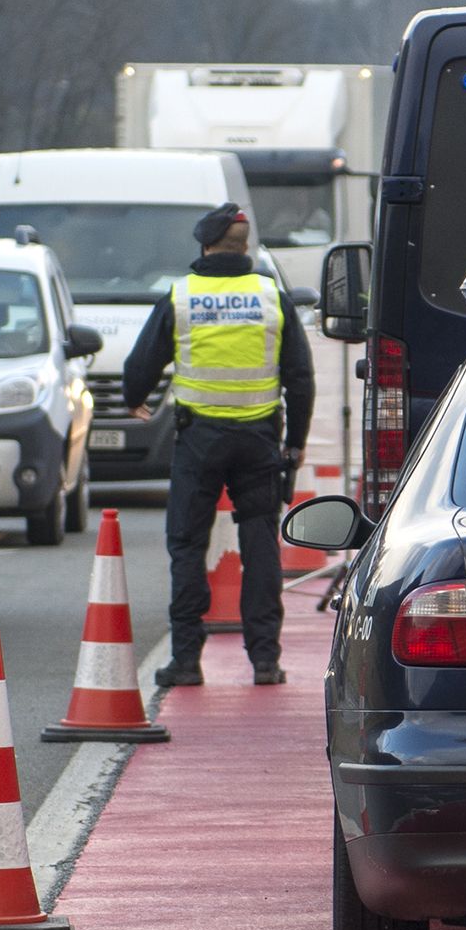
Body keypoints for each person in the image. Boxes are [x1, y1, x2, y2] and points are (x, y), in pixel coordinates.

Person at [120, 203, 314, 687]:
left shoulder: (182, 296)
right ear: (243, 247)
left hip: (199, 441)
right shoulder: (270, 296)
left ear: (205, 246)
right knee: (260, 546)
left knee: (187, 545)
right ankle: (265, 660)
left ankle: (186, 660)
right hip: (259, 440)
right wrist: (295, 444)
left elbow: (141, 363)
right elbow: (300, 376)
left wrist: (134, 400)